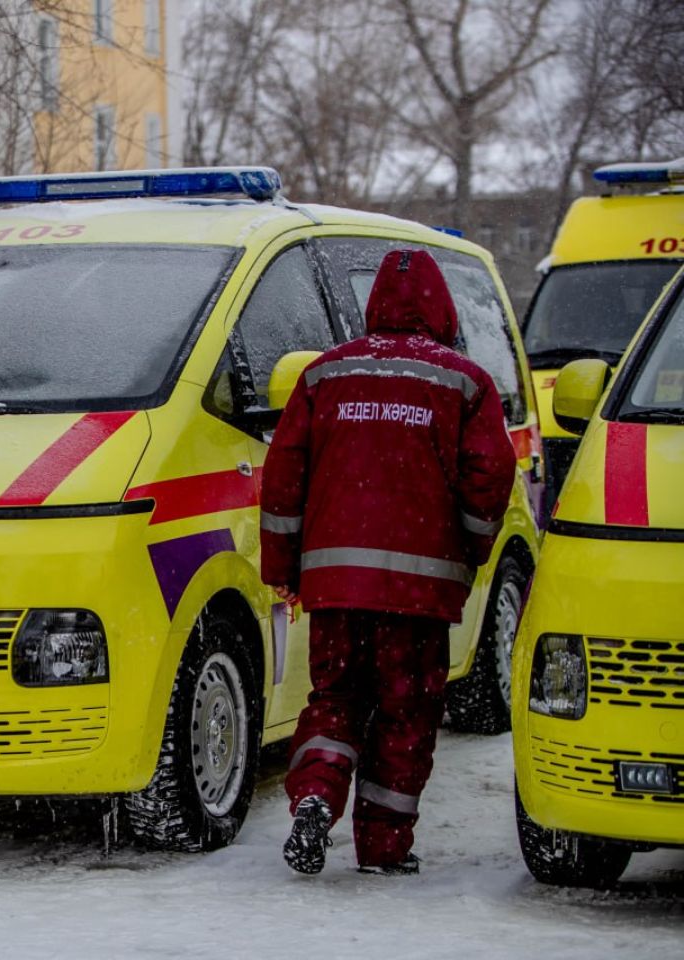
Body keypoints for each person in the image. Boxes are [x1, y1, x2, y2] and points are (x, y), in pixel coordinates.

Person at [260, 247, 517, 876]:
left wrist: (284, 568)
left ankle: (316, 797)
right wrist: (469, 551)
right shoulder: (465, 382)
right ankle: (382, 847)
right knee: (406, 710)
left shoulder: (325, 375)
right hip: (418, 591)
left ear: (374, 302)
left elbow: (283, 476)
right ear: (441, 306)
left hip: (336, 585)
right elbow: (491, 477)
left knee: (335, 696)